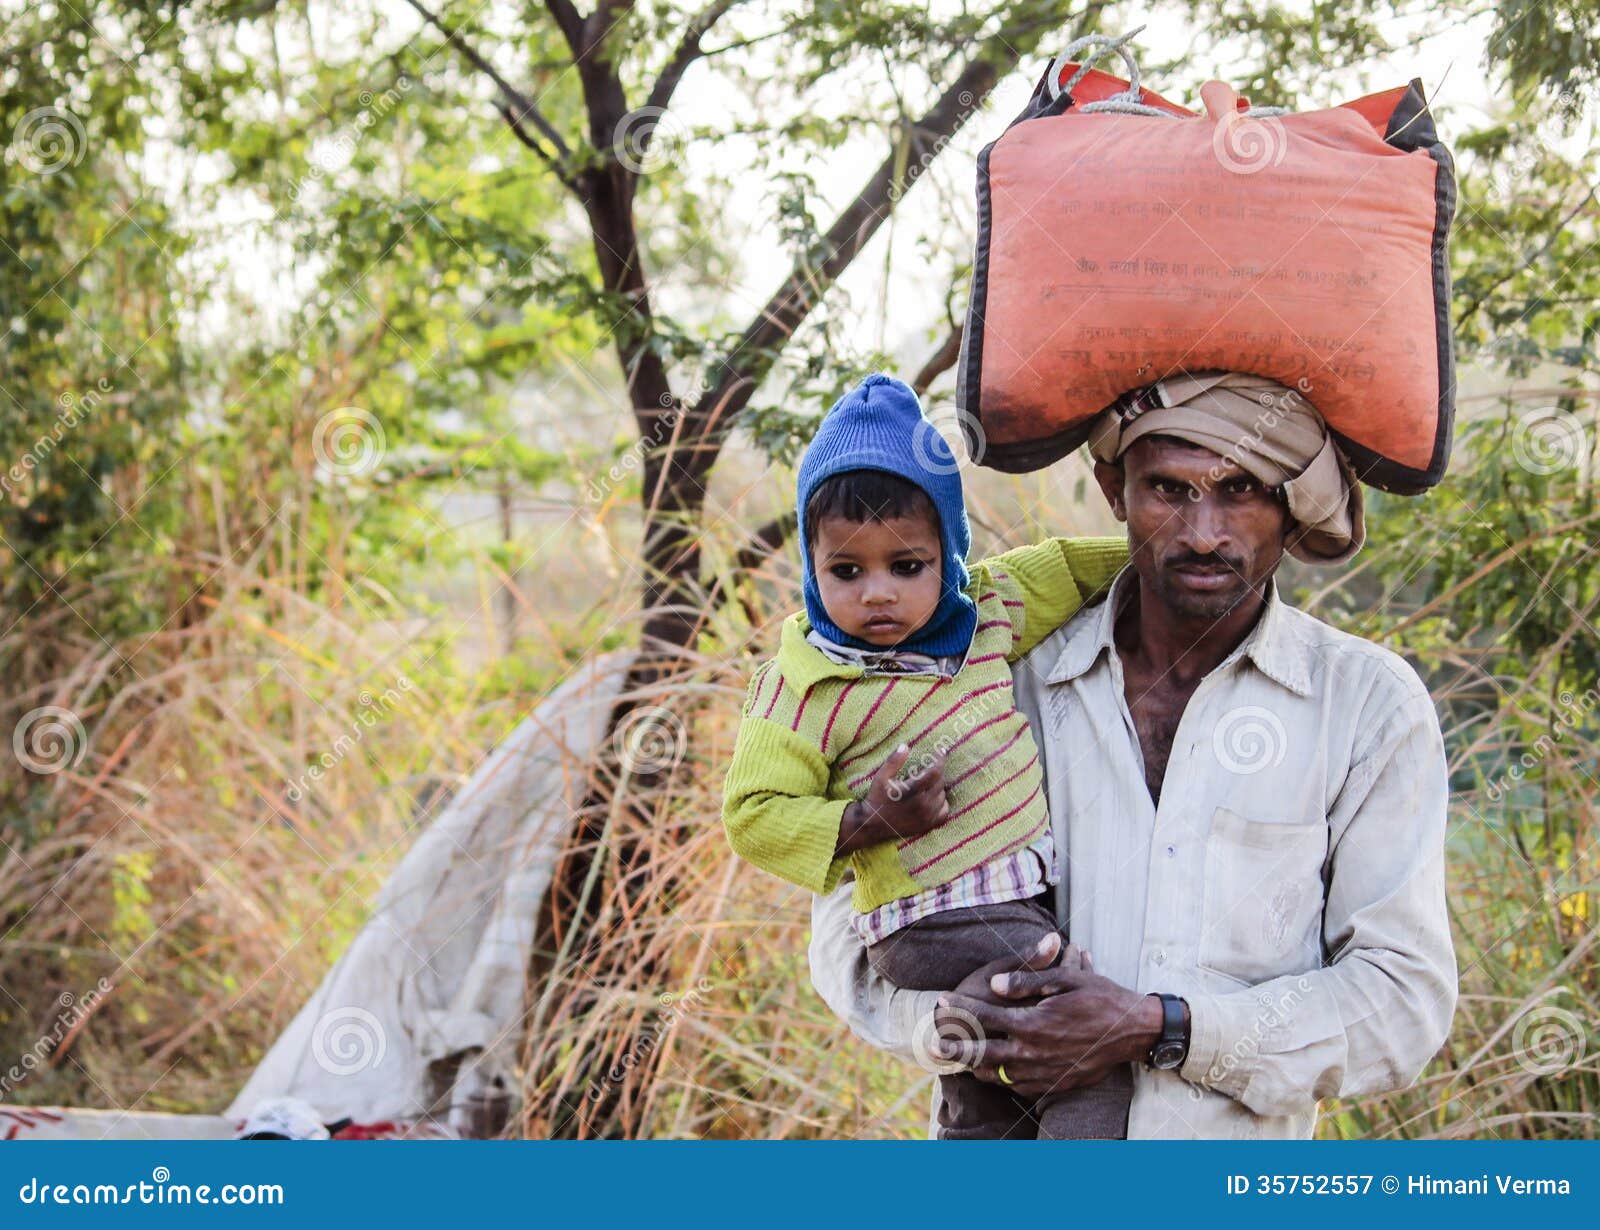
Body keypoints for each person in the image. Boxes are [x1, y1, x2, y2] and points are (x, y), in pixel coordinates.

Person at [808, 370, 1458, 1139]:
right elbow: (848, 935)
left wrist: (1162, 1028)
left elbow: (1403, 999)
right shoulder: (995, 674)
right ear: (1114, 489)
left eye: (1242, 489)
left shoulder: (1366, 706)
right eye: (1168, 490)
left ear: (1290, 503)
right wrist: (957, 1023)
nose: (1202, 532)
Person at [721, 372, 1128, 1137]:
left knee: (994, 1059)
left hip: (1007, 900)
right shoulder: (804, 683)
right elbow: (752, 814)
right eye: (847, 571)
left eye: (906, 567)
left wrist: (1159, 553)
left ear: (950, 554)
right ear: (811, 566)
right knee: (1082, 1032)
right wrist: (869, 818)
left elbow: (1075, 567)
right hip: (927, 917)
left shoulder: (989, 616)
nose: (878, 594)